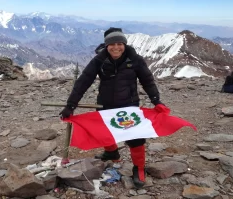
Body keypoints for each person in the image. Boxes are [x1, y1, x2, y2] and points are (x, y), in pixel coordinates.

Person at [59, 27, 164, 188]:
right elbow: (83, 82)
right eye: (111, 44)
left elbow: (147, 81)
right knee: (105, 132)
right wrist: (70, 105)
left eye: (119, 43)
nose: (116, 47)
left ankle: (139, 169)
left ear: (124, 44)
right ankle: (111, 152)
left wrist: (156, 101)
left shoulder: (134, 59)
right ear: (106, 45)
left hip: (129, 106)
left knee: (135, 138)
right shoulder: (99, 60)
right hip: (105, 104)